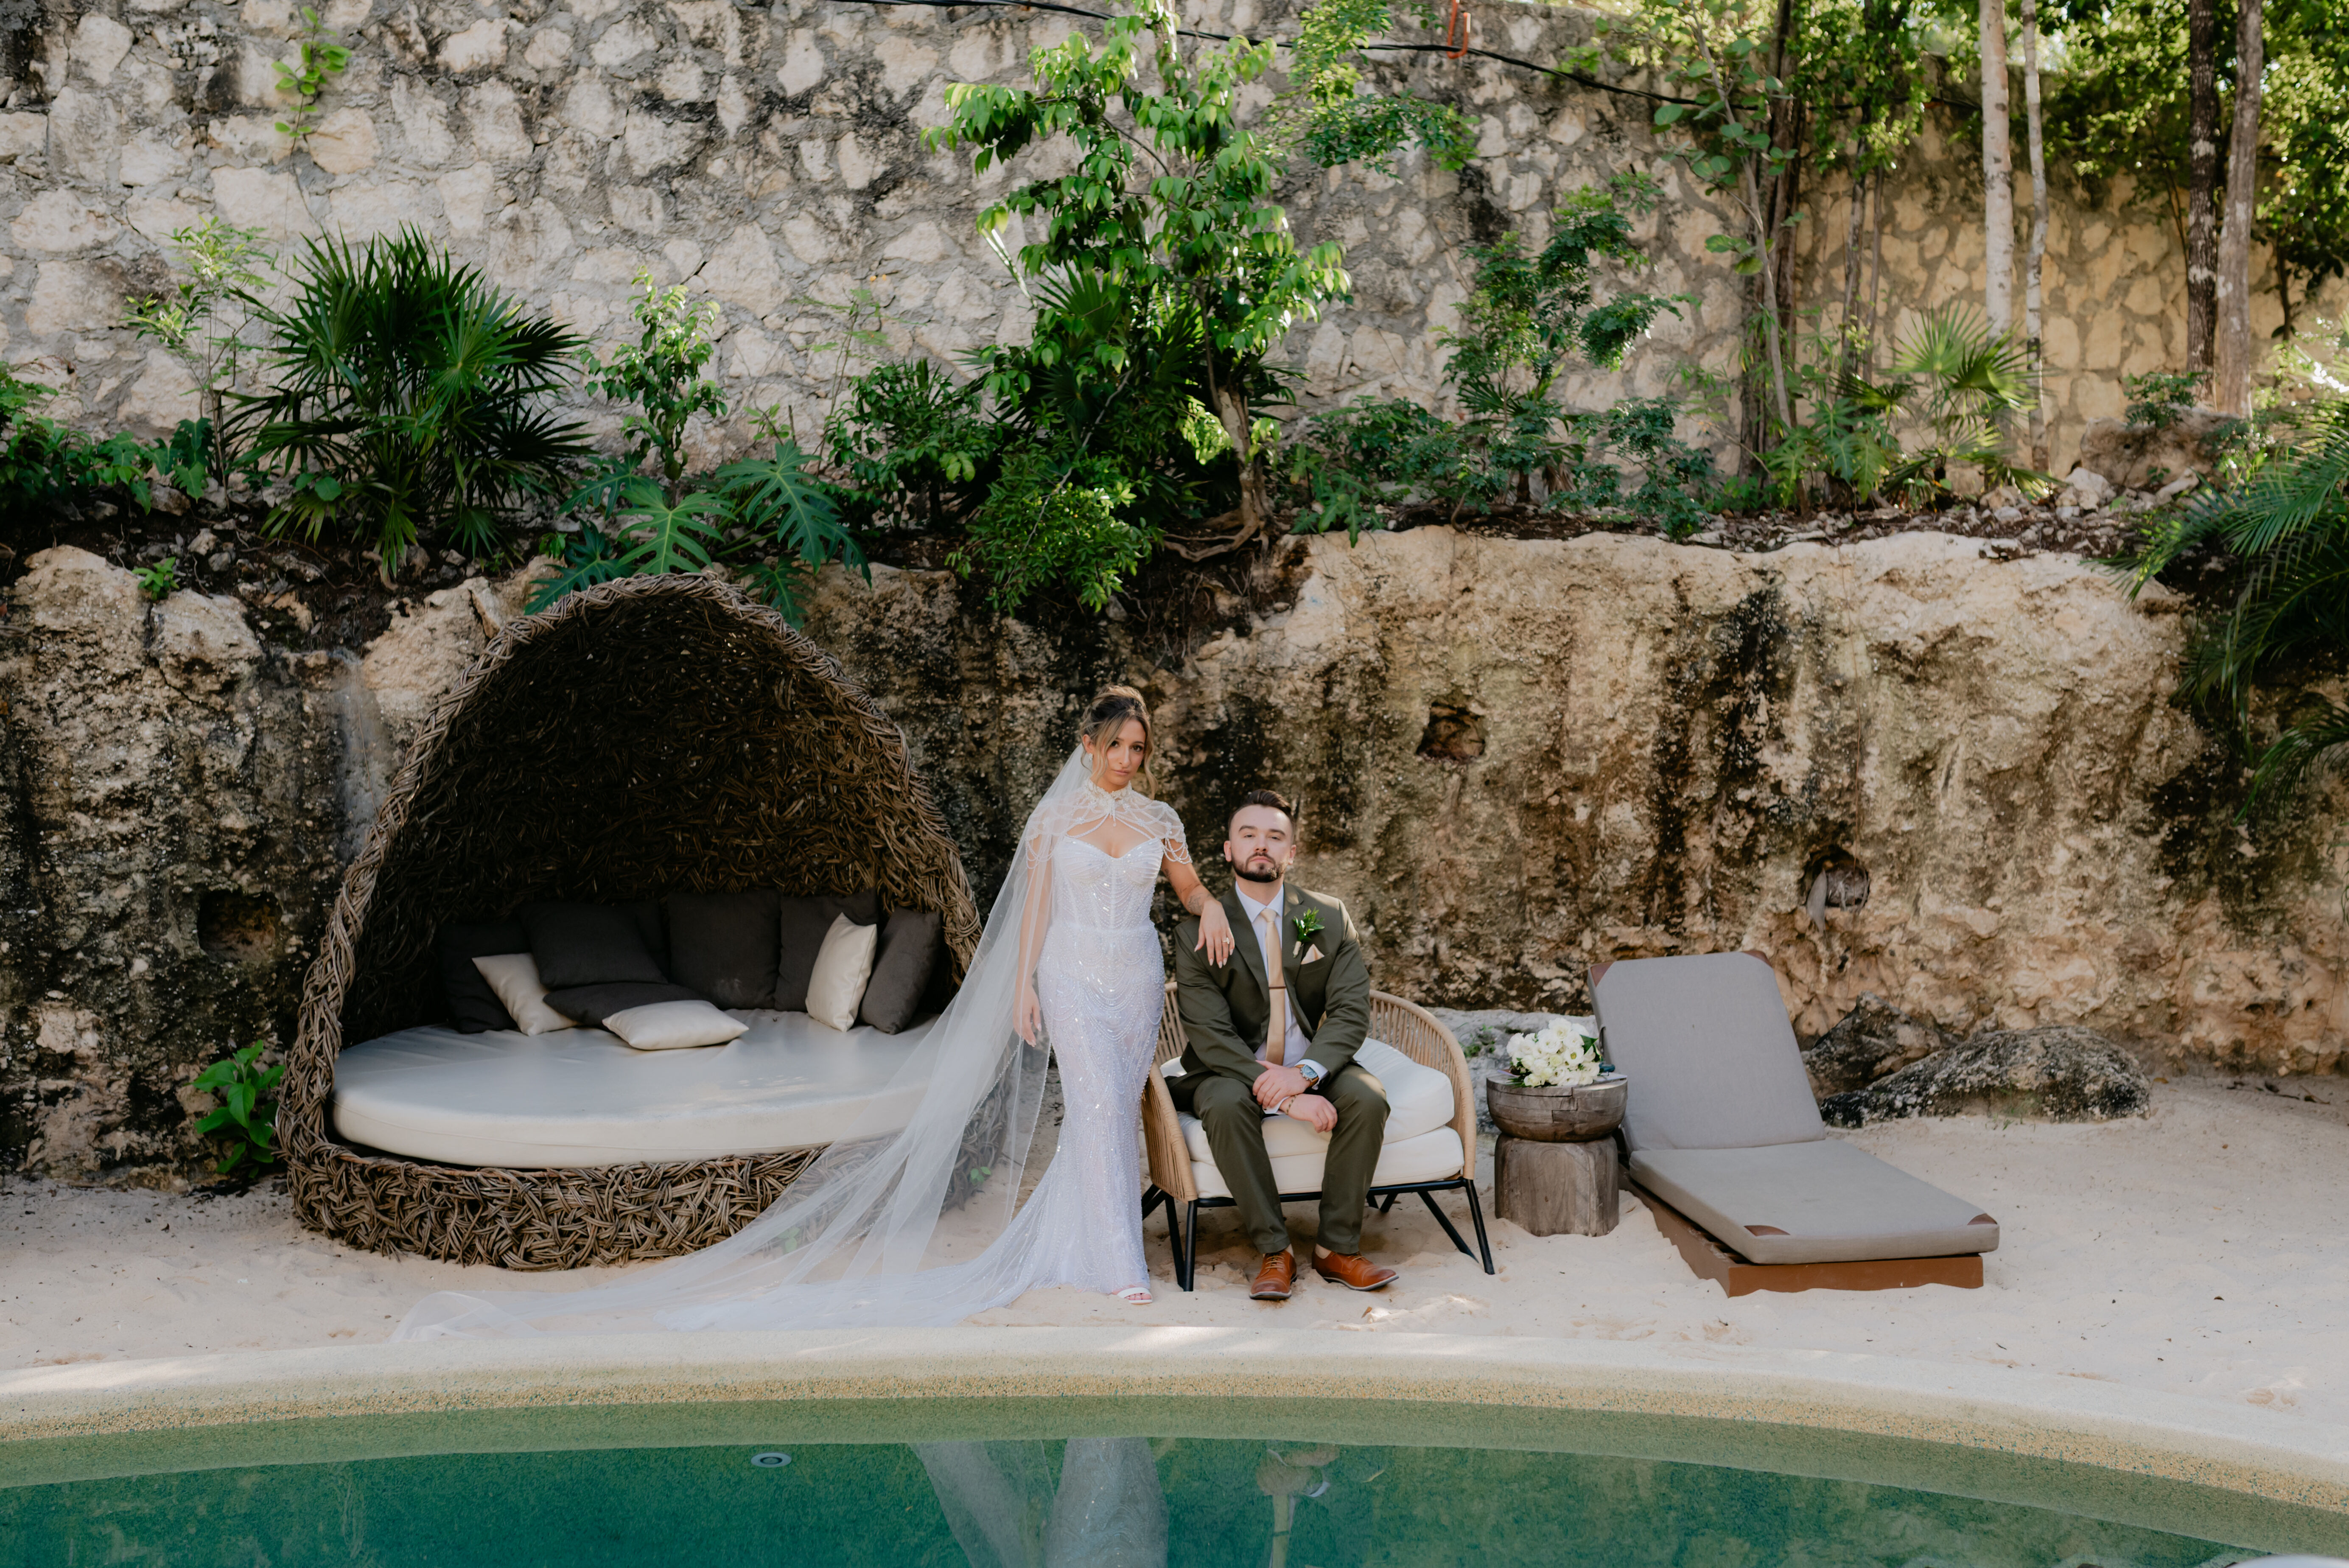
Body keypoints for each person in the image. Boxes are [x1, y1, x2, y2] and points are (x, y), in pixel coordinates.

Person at [392, 686, 1232, 1337]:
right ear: (1086, 746)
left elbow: (1187, 889)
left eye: (1138, 749)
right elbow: (1037, 913)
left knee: (1113, 1109)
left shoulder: (1158, 819)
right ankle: (1119, 1264)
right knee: (1088, 1102)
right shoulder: (1054, 820)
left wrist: (1214, 909)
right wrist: (1021, 989)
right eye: (1116, 745)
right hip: (1071, 977)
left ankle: (1081, 1245)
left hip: (1131, 973)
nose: (1128, 758)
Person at [1168, 790, 1395, 1302]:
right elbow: (1209, 1034)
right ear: (1228, 850)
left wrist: (1306, 1073)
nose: (1261, 846)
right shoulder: (1194, 931)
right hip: (1227, 1070)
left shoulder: (1328, 917)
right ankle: (1276, 1250)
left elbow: (1349, 1011)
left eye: (1275, 837)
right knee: (1225, 1107)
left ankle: (1337, 1249)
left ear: (1291, 853)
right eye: (1248, 835)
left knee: (1367, 1096)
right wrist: (1286, 1097)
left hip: (1310, 1063)